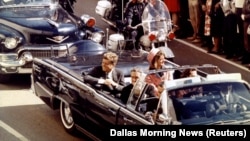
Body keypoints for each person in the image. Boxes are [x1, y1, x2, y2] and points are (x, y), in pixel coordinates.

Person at [241, 0, 250, 67]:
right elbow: (243, 10)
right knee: (246, 42)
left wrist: (245, 17)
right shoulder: (246, 1)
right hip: (246, 23)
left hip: (248, 21)